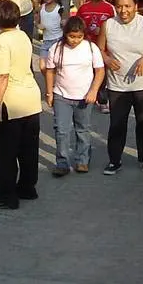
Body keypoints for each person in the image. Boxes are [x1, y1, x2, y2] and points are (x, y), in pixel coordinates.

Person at [98, 0, 143, 174]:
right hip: (117, 85)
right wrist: (107, 59)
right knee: (117, 123)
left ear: (136, 6)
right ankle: (114, 160)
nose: (123, 11)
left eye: (127, 6)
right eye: (119, 6)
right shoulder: (108, 25)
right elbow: (99, 49)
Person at [0, 0, 42, 210]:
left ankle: (5, 196)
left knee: (4, 154)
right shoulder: (23, 36)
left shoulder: (1, 42)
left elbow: (2, 76)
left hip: (11, 101)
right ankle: (27, 187)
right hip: (31, 98)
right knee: (28, 149)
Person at [43, 15, 105, 175]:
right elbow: (50, 71)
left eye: (79, 36)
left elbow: (100, 71)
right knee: (61, 130)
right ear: (65, 34)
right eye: (71, 36)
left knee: (82, 129)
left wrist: (94, 91)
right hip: (61, 96)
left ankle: (82, 160)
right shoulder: (56, 48)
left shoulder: (91, 48)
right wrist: (49, 92)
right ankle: (62, 163)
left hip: (84, 97)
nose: (75, 40)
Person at [36, 0, 65, 65]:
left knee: (55, 65)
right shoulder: (41, 7)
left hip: (57, 40)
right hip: (45, 41)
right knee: (42, 66)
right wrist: (38, 26)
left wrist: (63, 23)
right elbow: (37, 22)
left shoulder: (60, 8)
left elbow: (65, 23)